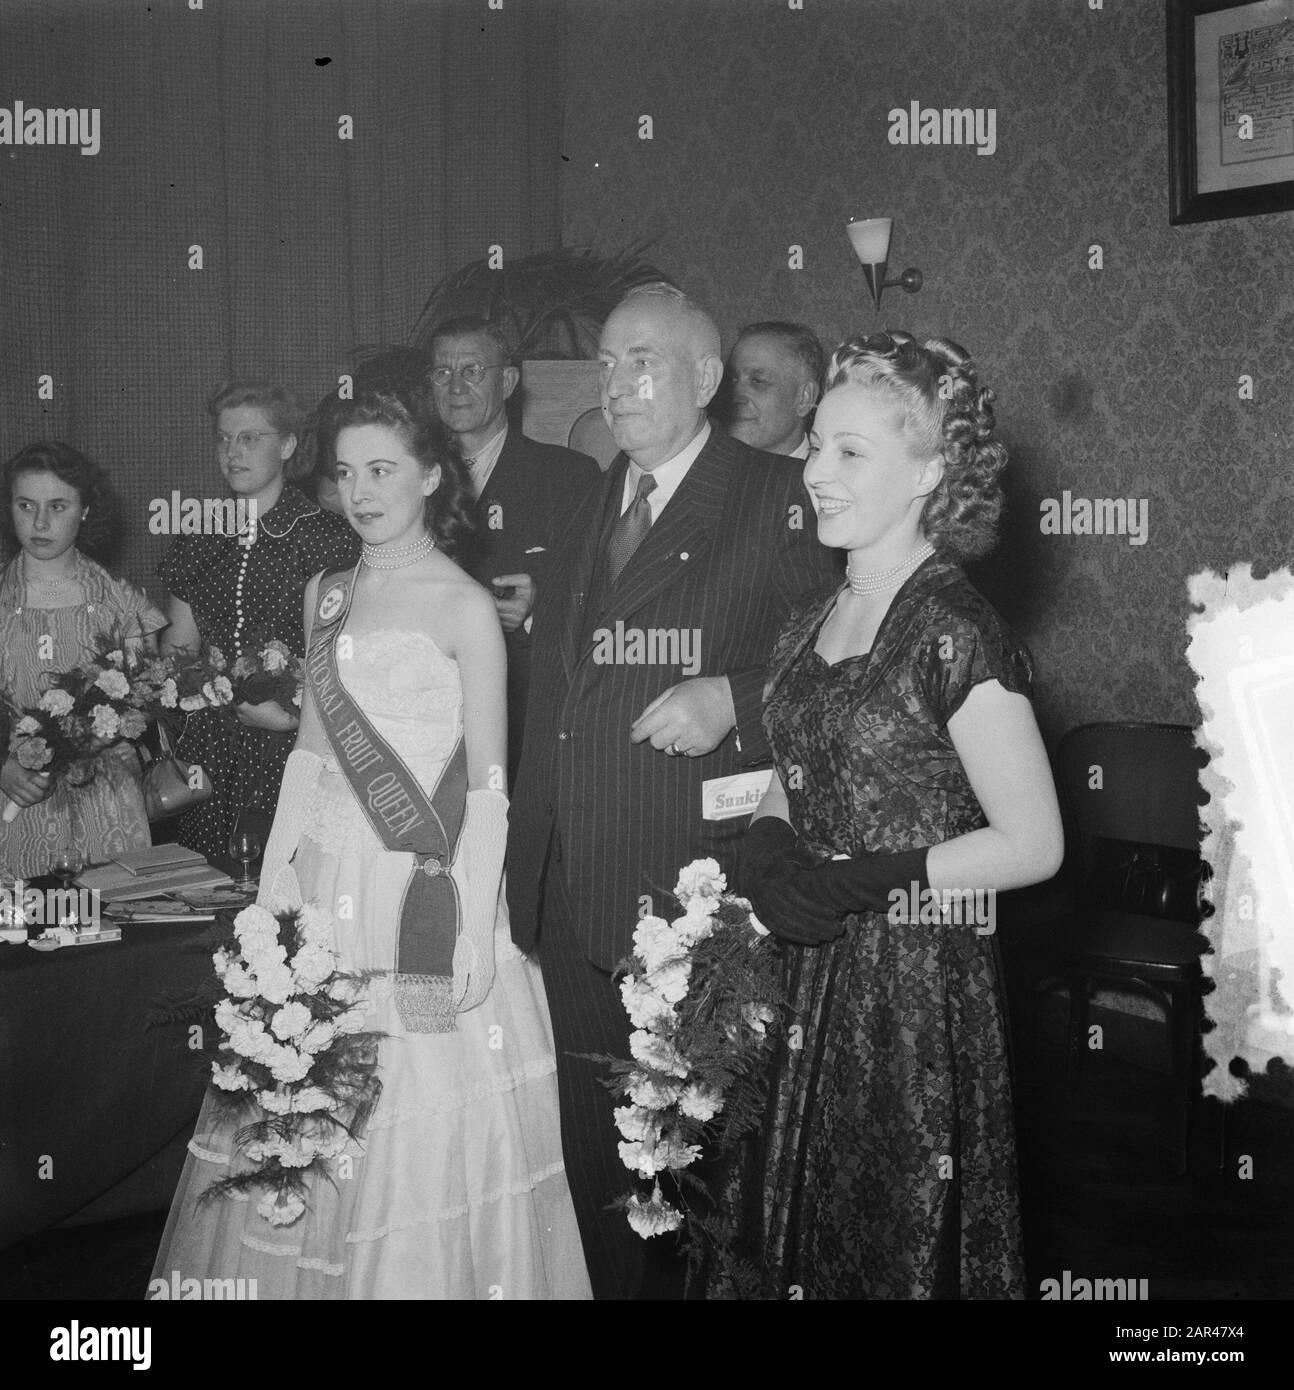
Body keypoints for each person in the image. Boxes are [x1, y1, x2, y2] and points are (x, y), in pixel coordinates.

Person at [151, 384, 591, 1299]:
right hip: (327, 875)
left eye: (383, 469)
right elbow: (312, 751)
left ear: (433, 474)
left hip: (422, 876)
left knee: (413, 1102)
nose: (360, 490)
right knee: (304, 1076)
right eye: (346, 472)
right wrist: (276, 886)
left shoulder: (465, 605)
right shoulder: (327, 591)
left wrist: (476, 921)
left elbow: (490, 785)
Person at [506, 283, 840, 1299]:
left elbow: (846, 660)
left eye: (642, 361)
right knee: (593, 1158)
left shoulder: (777, 497)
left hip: (683, 891)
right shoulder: (593, 495)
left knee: (685, 1175)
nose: (618, 383)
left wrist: (735, 697)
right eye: (606, 364)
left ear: (704, 376)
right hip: (565, 880)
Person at [715, 330, 1065, 1300]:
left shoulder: (952, 627)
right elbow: (796, 769)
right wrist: (769, 844)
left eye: (849, 452)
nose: (815, 472)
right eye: (814, 446)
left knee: (884, 1240)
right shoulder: (806, 620)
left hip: (907, 983)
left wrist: (868, 879)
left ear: (930, 470)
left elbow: (1034, 842)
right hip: (797, 965)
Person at [158, 380, 358, 860]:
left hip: (294, 747)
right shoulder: (198, 535)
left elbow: (347, 661)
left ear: (287, 445)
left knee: (285, 888)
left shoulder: (327, 538)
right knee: (205, 887)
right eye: (224, 439)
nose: (233, 452)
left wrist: (291, 717)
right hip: (208, 748)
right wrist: (192, 692)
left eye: (250, 438)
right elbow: (177, 648)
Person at [427, 317, 600, 787]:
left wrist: (537, 607)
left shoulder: (568, 476)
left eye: (473, 370)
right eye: (442, 373)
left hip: (523, 718)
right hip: (427, 719)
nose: (456, 386)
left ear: (507, 381)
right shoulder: (409, 479)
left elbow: (600, 594)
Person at [0, 443, 164, 878]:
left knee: (113, 936)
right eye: (26, 505)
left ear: (86, 510)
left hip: (106, 805)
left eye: (57, 506)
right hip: (18, 795)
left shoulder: (121, 601)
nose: (39, 522)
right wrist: (4, 766)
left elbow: (144, 705)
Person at [722, 321, 824, 458]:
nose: (735, 395)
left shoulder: (829, 477)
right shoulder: (702, 469)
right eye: (731, 379)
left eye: (758, 381)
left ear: (804, 398)